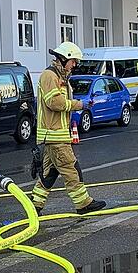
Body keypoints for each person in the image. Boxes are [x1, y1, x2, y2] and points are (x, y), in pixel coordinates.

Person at [30, 41, 107, 215]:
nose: (75, 65)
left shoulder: (60, 77)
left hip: (54, 135)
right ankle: (83, 203)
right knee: (72, 169)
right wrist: (80, 104)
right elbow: (54, 102)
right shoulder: (50, 76)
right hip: (55, 135)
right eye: (73, 61)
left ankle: (35, 204)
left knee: (49, 173)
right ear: (64, 59)